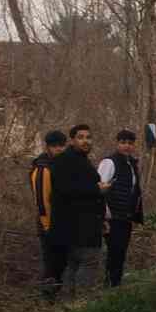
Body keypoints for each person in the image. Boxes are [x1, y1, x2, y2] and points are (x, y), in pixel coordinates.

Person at [52, 123, 106, 297]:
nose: (86, 141)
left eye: (88, 137)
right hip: (78, 225)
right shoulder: (64, 160)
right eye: (81, 137)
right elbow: (66, 190)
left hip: (86, 224)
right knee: (88, 263)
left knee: (74, 265)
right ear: (72, 140)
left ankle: (70, 308)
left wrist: (102, 218)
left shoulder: (81, 159)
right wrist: (97, 189)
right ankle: (82, 305)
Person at [97, 129, 144, 288]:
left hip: (126, 217)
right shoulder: (109, 162)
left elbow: (134, 191)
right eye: (123, 143)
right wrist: (103, 218)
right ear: (117, 143)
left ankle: (115, 285)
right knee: (114, 253)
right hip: (112, 217)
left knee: (121, 253)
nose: (126, 146)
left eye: (130, 143)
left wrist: (136, 215)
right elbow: (99, 190)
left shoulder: (131, 164)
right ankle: (110, 286)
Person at [28, 130, 69, 301]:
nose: (59, 149)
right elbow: (42, 202)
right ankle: (48, 299)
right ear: (48, 147)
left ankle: (55, 296)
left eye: (61, 145)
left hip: (62, 223)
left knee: (61, 262)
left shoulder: (60, 165)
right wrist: (48, 227)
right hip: (49, 225)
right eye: (55, 146)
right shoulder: (43, 169)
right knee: (52, 264)